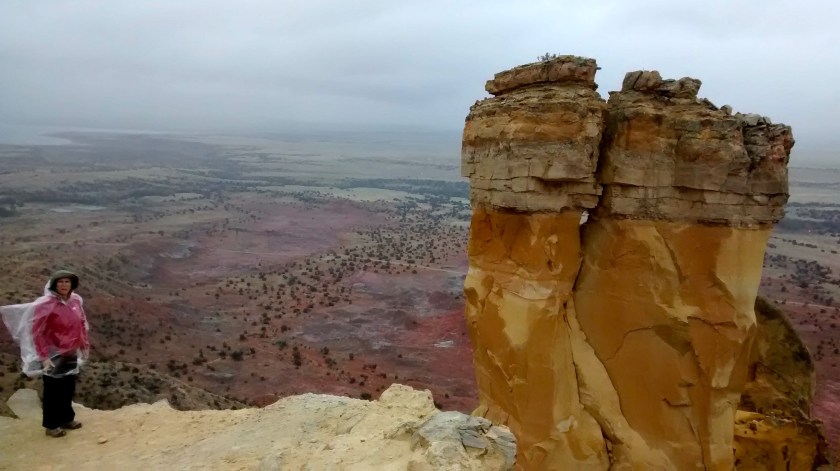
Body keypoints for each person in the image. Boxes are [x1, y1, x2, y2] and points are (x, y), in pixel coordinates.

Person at [0, 270, 90, 437]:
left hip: (70, 351)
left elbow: (81, 322)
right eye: (60, 282)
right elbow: (38, 331)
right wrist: (44, 357)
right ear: (54, 284)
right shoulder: (45, 304)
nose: (64, 285)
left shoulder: (75, 300)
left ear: (72, 284)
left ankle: (67, 418)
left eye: (67, 282)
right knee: (53, 390)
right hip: (52, 353)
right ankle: (51, 425)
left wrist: (84, 344)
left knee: (68, 387)